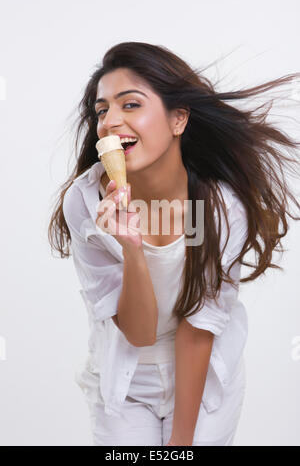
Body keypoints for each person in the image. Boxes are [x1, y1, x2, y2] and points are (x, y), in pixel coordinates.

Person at [48, 42, 300, 446]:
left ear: (178, 119)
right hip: (125, 377)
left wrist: (180, 446)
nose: (110, 121)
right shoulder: (87, 202)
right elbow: (140, 332)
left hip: (205, 372)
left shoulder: (215, 210)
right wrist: (131, 246)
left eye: (130, 105)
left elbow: (196, 329)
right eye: (102, 110)